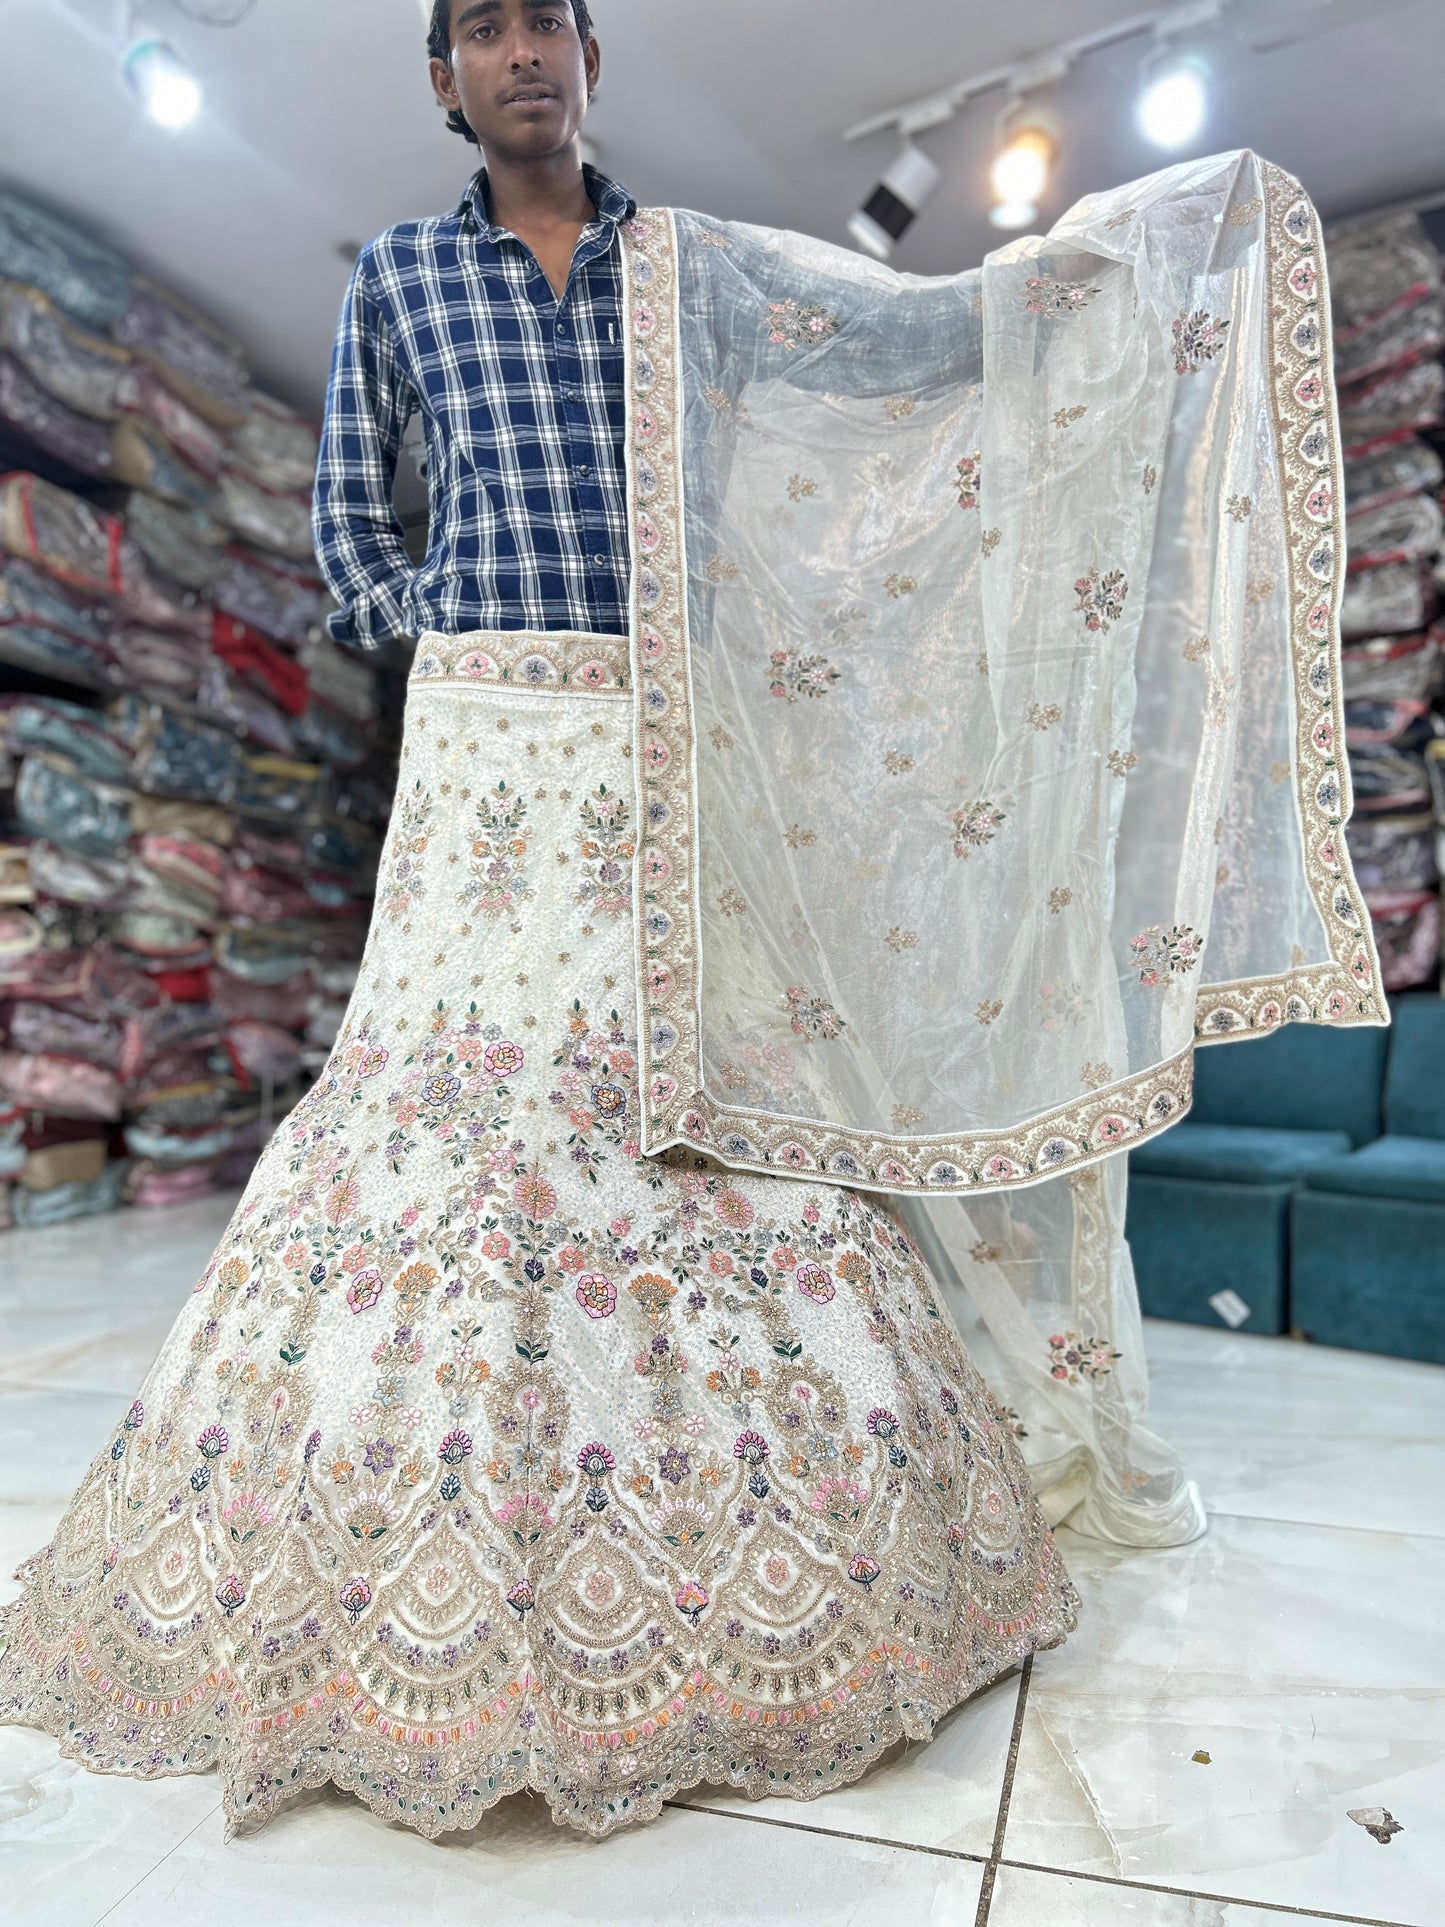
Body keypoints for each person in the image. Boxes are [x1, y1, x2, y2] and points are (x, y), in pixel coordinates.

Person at [0, 0, 1080, 1842]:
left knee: (702, 1086)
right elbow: (346, 513)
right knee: (457, 1100)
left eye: (547, 22)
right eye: (483, 28)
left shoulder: (687, 269)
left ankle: (780, 1533)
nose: (521, 52)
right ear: (444, 78)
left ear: (593, 58)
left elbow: (822, 431)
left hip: (668, 738)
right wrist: (439, 615)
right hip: (489, 741)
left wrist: (1045, 311)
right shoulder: (402, 277)